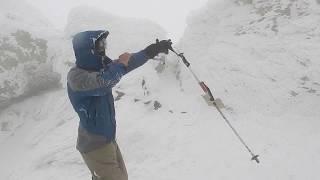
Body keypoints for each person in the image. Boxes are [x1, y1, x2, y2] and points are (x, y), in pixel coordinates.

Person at [67, 30, 172, 180]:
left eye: (104, 43)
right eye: (100, 44)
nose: (104, 47)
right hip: (95, 145)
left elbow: (128, 63)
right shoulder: (77, 77)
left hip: (106, 138)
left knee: (120, 176)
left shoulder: (98, 67)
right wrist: (121, 63)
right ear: (88, 49)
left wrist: (151, 50)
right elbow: (106, 81)